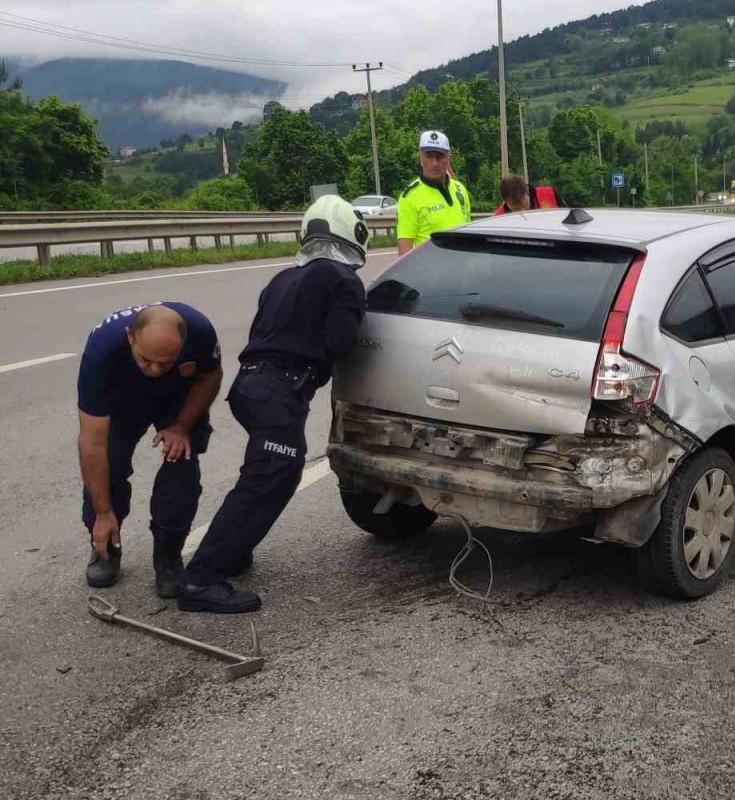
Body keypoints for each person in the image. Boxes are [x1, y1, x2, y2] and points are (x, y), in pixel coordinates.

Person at [177, 196, 368, 613]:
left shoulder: (284, 277)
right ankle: (200, 579)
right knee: (274, 475)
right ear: (351, 233)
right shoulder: (343, 280)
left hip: (250, 387)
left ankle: (234, 549)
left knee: (265, 472)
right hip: (278, 391)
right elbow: (342, 343)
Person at [77, 303, 223, 597]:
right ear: (130, 337)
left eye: (165, 362)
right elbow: (92, 443)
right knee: (110, 464)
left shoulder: (199, 331)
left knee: (181, 466)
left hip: (177, 399)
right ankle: (106, 546)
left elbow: (210, 376)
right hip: (122, 399)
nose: (155, 369)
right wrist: (103, 512)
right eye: (147, 360)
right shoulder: (101, 349)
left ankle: (168, 558)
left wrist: (181, 426)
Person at [395, 130, 471, 255]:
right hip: (430, 272)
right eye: (429, 157)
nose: (435, 163)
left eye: (440, 157)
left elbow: (468, 236)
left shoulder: (460, 190)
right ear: (420, 158)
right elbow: (404, 251)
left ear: (449, 158)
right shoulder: (409, 197)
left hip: (462, 270)